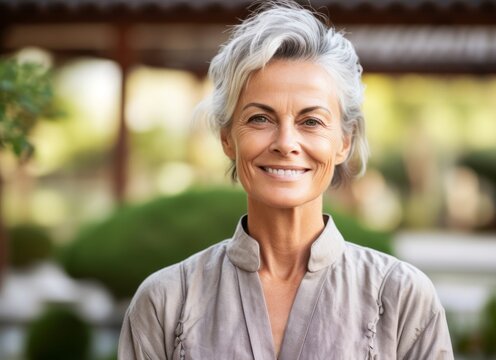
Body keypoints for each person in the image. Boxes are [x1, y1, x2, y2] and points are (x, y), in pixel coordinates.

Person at [118, 2, 454, 359]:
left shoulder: (401, 296)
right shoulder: (166, 301)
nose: (285, 143)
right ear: (227, 138)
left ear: (344, 141)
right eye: (260, 119)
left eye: (311, 122)